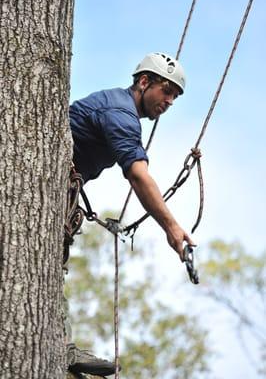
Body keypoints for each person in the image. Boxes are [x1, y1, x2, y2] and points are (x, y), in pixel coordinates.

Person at [67, 52, 196, 376]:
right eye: (166, 91)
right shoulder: (121, 114)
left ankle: (59, 343)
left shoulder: (119, 109)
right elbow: (138, 175)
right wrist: (172, 227)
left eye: (174, 97)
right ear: (144, 82)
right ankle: (61, 346)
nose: (169, 101)